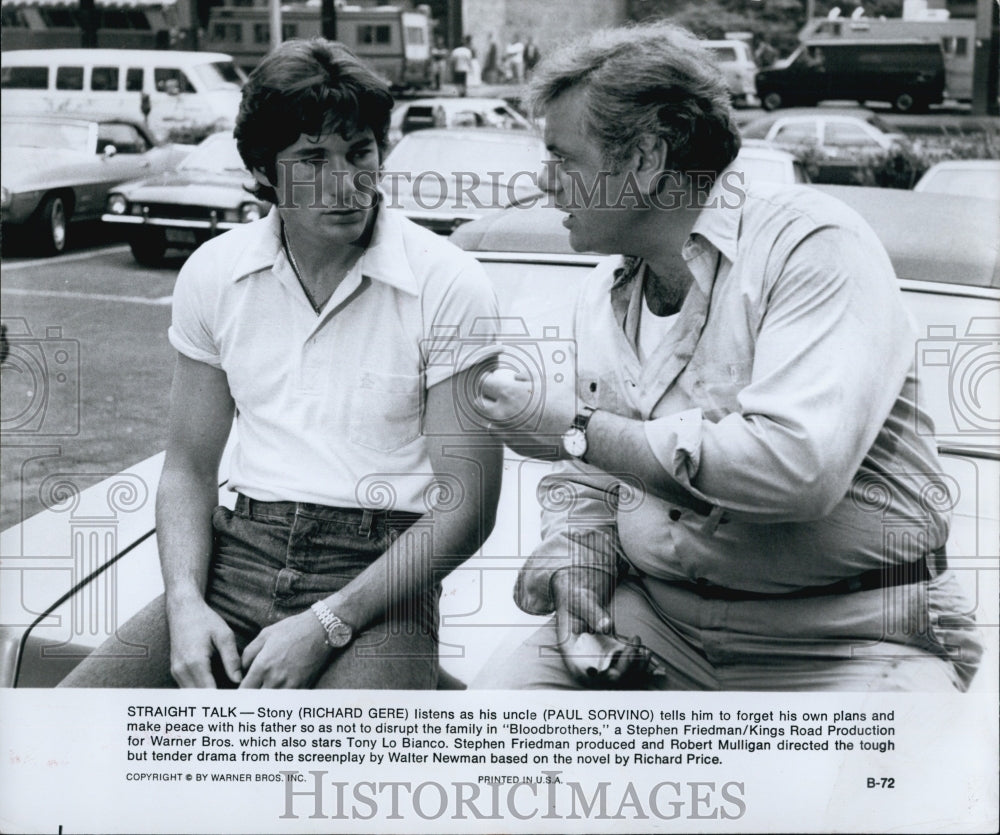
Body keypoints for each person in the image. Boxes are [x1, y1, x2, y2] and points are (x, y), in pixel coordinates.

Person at [472, 23, 982, 691]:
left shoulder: (812, 244)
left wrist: (573, 430)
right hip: (655, 619)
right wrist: (581, 566)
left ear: (647, 158)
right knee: (481, 753)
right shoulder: (603, 292)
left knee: (867, 795)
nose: (546, 182)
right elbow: (592, 482)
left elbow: (794, 467)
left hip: (853, 636)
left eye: (564, 157)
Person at [60, 38, 502, 689]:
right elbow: (187, 466)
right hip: (237, 555)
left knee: (342, 776)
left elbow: (467, 505)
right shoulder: (215, 271)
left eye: (360, 152)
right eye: (311, 159)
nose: (347, 182)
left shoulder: (449, 282)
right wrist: (184, 602)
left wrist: (327, 621)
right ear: (265, 169)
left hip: (380, 582)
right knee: (63, 732)